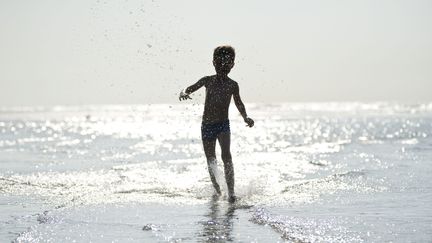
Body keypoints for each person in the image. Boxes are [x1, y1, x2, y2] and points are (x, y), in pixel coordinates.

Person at [179, 45, 254, 203]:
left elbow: (239, 103)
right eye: (220, 63)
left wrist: (245, 117)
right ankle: (218, 190)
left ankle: (231, 193)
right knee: (211, 158)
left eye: (227, 64)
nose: (223, 66)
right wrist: (184, 93)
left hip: (223, 125)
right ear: (214, 62)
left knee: (226, 156)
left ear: (232, 65)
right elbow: (190, 88)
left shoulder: (233, 85)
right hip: (207, 126)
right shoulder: (208, 81)